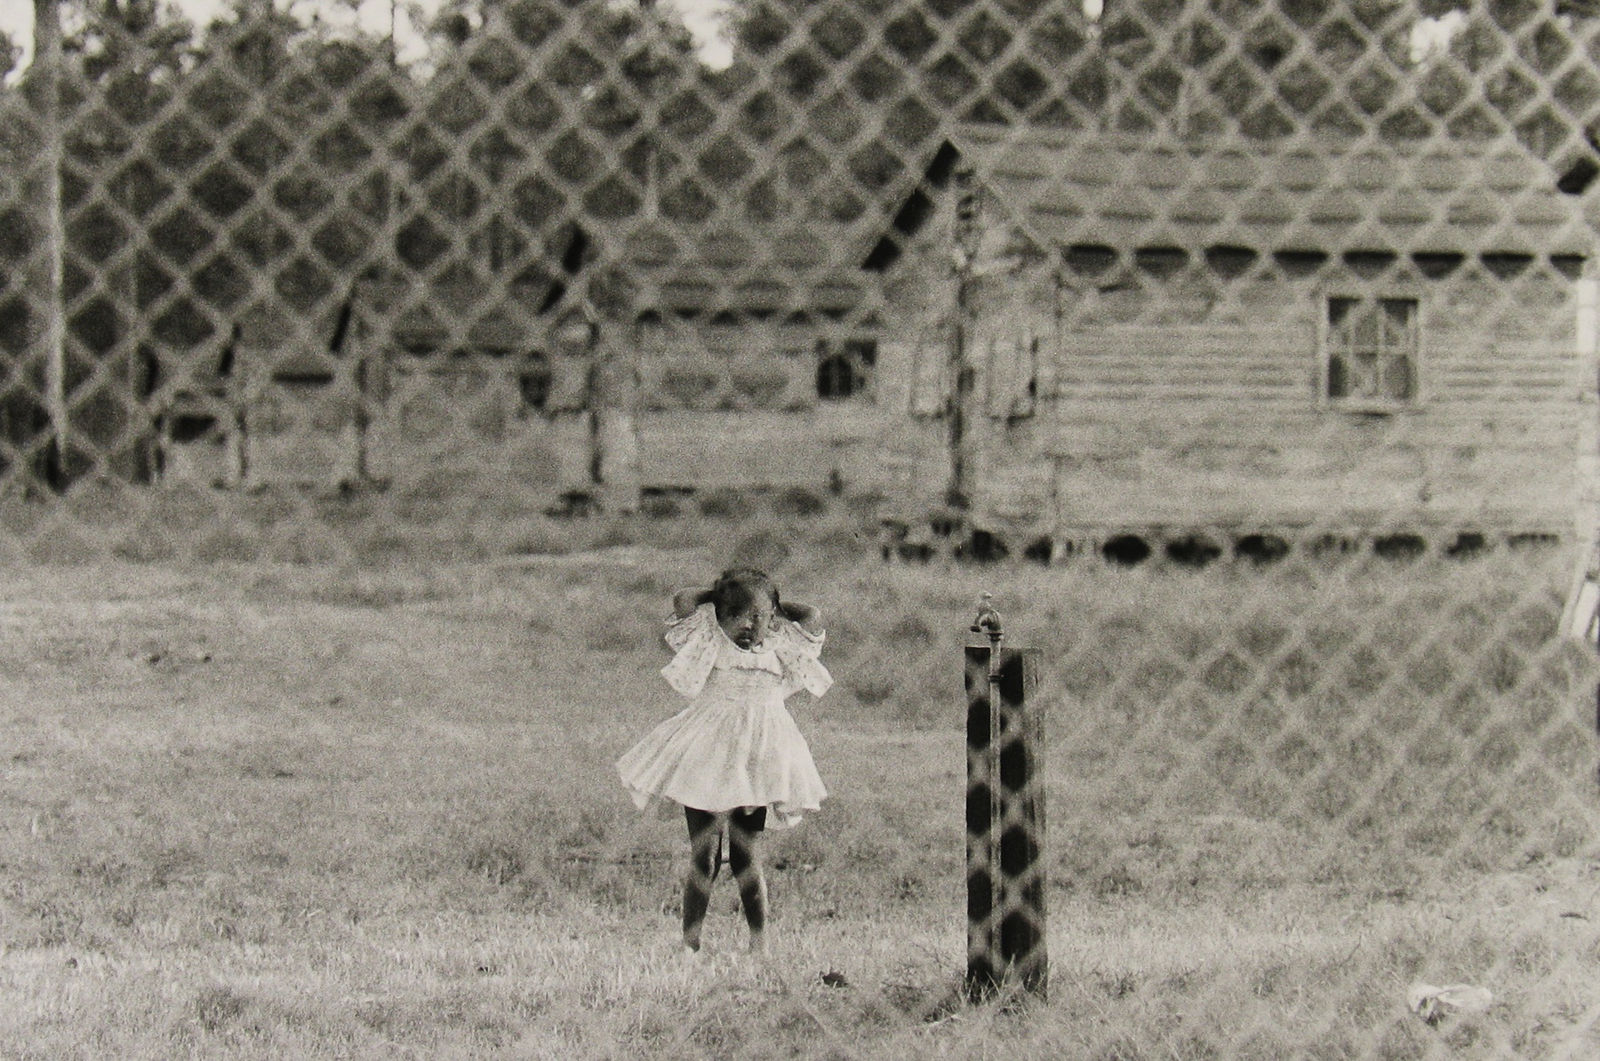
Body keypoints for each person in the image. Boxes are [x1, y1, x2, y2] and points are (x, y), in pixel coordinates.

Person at [616, 567, 831, 955]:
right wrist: (716, 596)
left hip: (755, 761)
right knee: (705, 856)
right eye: (734, 614)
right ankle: (690, 942)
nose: (745, 624)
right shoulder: (710, 642)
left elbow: (813, 616)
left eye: (756, 617)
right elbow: (682, 601)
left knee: (747, 854)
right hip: (706, 756)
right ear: (718, 615)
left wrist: (773, 604)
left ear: (771, 618)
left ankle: (759, 942)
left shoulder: (780, 647)